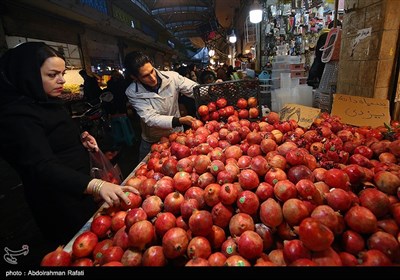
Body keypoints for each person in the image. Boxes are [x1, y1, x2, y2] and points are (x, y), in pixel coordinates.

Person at [0, 42, 138, 254]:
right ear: (27, 75)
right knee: (79, 247)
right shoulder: (17, 116)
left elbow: (54, 138)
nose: (62, 80)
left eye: (62, 73)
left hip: (79, 187)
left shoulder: (47, 102)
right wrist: (97, 186)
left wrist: (81, 140)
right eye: (52, 74)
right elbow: (41, 166)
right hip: (58, 200)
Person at [123, 51, 199, 161]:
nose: (152, 78)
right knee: (147, 169)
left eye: (152, 71)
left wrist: (211, 90)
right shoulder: (132, 92)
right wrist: (179, 120)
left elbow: (194, 89)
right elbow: (150, 118)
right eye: (145, 76)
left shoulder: (172, 77)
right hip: (153, 139)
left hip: (177, 136)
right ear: (134, 77)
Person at [307, 20, 342, 89]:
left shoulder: (323, 35)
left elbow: (318, 51)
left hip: (320, 63)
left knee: (322, 85)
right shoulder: (337, 36)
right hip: (331, 64)